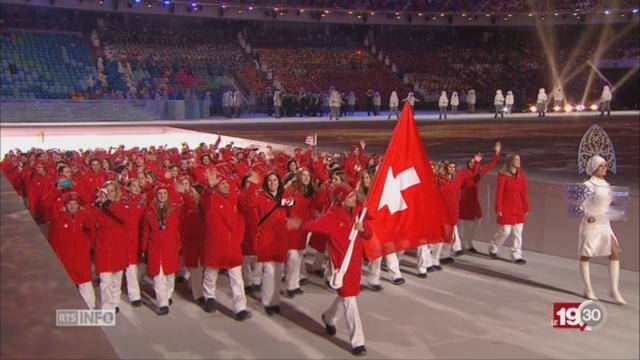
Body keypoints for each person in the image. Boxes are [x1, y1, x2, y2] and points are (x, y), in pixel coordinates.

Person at [304, 183, 371, 357]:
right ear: (341, 200)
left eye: (353, 195)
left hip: (356, 263)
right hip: (341, 265)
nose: (353, 198)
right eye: (349, 196)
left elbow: (369, 234)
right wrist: (294, 223)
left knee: (345, 296)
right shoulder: (332, 217)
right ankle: (358, 342)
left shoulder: (359, 212)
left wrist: (363, 229)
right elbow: (312, 226)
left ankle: (329, 318)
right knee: (350, 299)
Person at [201, 171, 252, 320]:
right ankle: (209, 298)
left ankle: (240, 308)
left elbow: (247, 208)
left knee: (237, 278)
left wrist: (238, 238)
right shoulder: (212, 199)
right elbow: (205, 202)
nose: (225, 185)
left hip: (233, 246)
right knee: (211, 274)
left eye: (226, 183)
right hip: (216, 244)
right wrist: (209, 188)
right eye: (221, 183)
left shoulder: (235, 199)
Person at [247, 171, 299, 315]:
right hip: (266, 238)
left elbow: (293, 210)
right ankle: (267, 302)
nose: (272, 183)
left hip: (281, 238)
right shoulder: (261, 198)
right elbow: (250, 203)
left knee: (278, 272)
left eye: (275, 180)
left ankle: (275, 301)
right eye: (269, 180)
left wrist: (293, 220)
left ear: (279, 182)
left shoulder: (285, 197)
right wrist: (253, 184)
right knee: (269, 271)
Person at [577, 156, 626, 304]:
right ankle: (588, 289)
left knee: (615, 251)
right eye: (601, 166)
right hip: (591, 225)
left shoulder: (606, 184)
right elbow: (579, 205)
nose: (605, 168)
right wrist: (588, 215)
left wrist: (618, 213)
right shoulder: (587, 185)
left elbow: (609, 204)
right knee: (586, 254)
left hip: (605, 224)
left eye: (606, 165)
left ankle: (614, 290)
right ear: (594, 168)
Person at [48, 192, 95, 309]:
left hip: (82, 258)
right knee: (66, 286)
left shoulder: (85, 217)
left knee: (85, 283)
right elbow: (53, 242)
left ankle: (89, 309)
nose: (73, 206)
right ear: (65, 205)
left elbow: (93, 232)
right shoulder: (58, 220)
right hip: (65, 259)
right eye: (70, 203)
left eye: (75, 203)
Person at [141, 185, 184, 315]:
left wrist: (178, 244)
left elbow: (179, 228)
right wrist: (144, 248)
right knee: (158, 276)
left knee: (170, 275)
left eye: (165, 193)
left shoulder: (174, 209)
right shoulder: (150, 211)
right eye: (160, 194)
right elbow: (146, 231)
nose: (162, 196)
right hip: (155, 247)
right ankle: (162, 304)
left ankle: (167, 295)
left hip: (170, 247)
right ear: (156, 196)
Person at [91, 181, 129, 312]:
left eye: (112, 191)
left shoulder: (121, 205)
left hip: (118, 249)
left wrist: (108, 204)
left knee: (116, 280)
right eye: (107, 191)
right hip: (103, 249)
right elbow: (89, 224)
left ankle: (115, 302)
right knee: (105, 281)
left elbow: (123, 217)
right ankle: (107, 308)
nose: (110, 194)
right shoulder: (98, 208)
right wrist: (96, 206)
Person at [459, 142, 502, 252]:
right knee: (466, 225)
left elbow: (491, 165)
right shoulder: (464, 173)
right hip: (464, 203)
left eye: (475, 162)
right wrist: (477, 163)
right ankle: (465, 243)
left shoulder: (477, 174)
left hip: (474, 203)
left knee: (477, 222)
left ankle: (468, 241)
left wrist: (496, 153)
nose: (473, 163)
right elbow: (471, 176)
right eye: (472, 162)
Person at [490, 154, 529, 264]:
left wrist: (526, 207)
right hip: (506, 208)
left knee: (518, 233)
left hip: (518, 209)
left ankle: (516, 255)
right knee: (505, 231)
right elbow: (499, 193)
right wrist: (499, 208)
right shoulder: (503, 176)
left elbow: (524, 192)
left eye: (519, 160)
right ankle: (494, 246)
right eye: (516, 159)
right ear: (510, 161)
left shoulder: (521, 175)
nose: (518, 162)